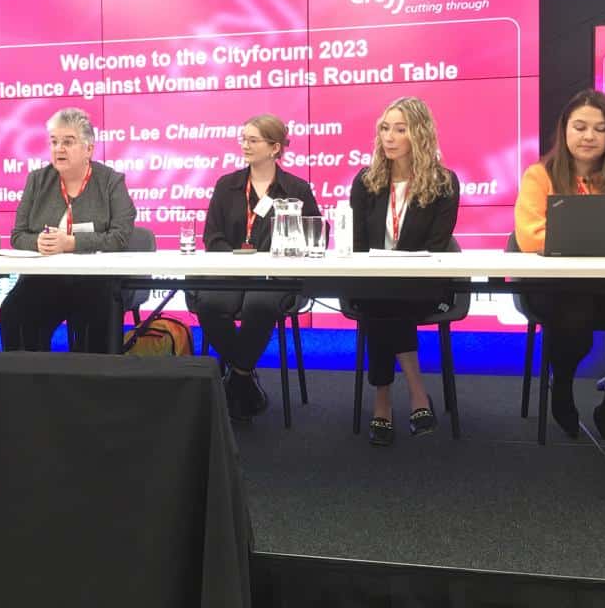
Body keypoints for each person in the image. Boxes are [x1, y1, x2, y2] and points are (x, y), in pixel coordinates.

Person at [514, 89, 605, 440]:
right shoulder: (540, 174)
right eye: (579, 126)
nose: (589, 136)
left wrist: (570, 238)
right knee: (573, 316)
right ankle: (560, 388)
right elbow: (530, 237)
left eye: (599, 128)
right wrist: (602, 239)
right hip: (558, 287)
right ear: (565, 130)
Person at [342, 97, 460, 446]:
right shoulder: (366, 182)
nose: (388, 137)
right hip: (373, 283)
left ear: (419, 134)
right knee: (381, 300)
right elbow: (358, 245)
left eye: (400, 129)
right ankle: (417, 394)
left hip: (421, 284)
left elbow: (438, 247)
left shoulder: (443, 182)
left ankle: (383, 403)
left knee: (386, 304)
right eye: (384, 128)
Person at [192, 114, 321, 421]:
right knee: (208, 302)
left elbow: (317, 232)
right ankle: (244, 377)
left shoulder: (296, 189)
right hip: (231, 274)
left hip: (275, 278)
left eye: (253, 140)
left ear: (275, 148)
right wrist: (239, 260)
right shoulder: (228, 185)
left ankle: (236, 377)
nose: (245, 145)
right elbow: (213, 237)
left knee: (260, 304)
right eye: (243, 139)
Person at [0, 108, 136, 352]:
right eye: (54, 142)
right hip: (44, 280)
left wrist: (71, 243)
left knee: (95, 320)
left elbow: (120, 237)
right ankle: (28, 385)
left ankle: (90, 388)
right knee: (14, 313)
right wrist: (37, 243)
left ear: (89, 149)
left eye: (68, 142)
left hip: (95, 281)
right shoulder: (37, 180)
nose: (59, 148)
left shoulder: (111, 182)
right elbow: (18, 236)